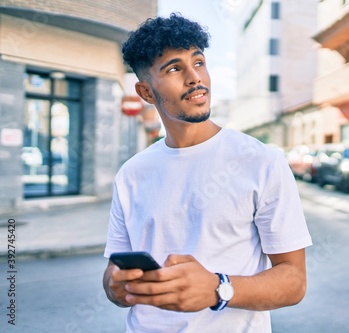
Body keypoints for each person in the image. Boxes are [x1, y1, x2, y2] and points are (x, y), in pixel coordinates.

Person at [102, 13, 312, 333]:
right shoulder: (131, 174)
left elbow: (294, 280)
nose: (194, 78)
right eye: (174, 68)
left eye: (198, 63)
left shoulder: (261, 161)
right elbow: (112, 277)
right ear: (145, 93)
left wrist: (218, 289)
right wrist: (116, 286)